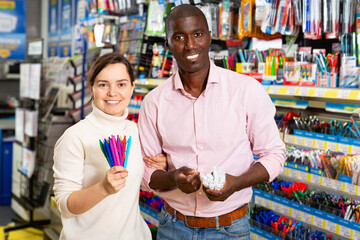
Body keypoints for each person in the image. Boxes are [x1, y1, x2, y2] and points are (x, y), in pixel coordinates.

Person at [138, 4, 286, 239]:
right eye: (179, 37)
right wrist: (174, 179)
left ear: (209, 37)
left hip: (230, 228)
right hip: (173, 227)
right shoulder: (154, 103)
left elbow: (274, 154)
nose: (190, 45)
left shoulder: (246, 91)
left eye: (197, 34)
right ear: (167, 43)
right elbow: (147, 172)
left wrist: (236, 183)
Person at [53, 53, 165, 240]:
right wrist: (103, 188)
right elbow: (65, 205)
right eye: (103, 84)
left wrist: (159, 165)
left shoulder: (136, 131)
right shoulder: (75, 137)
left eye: (121, 84)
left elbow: (140, 182)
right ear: (92, 89)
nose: (113, 92)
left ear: (132, 88)